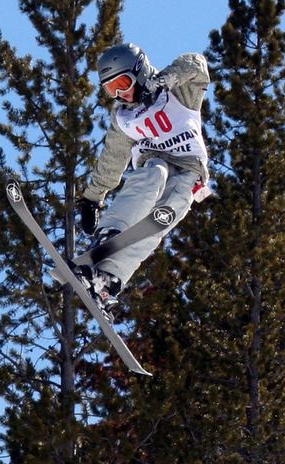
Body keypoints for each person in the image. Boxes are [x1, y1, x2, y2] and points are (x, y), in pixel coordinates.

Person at [75, 43, 210, 317]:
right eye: (111, 90)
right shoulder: (123, 118)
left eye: (123, 83)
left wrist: (164, 80)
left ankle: (109, 280)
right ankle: (107, 237)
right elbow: (113, 158)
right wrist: (93, 197)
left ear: (140, 72)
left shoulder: (178, 92)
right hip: (154, 161)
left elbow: (198, 64)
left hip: (189, 170)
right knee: (155, 173)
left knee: (158, 223)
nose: (121, 94)